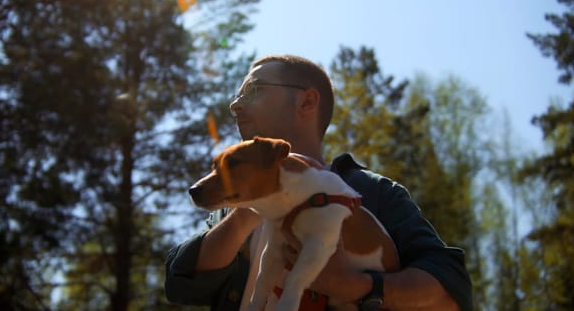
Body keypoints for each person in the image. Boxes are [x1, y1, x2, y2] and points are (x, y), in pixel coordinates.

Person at [165, 54, 473, 310]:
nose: (236, 105)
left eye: (254, 90)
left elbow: (451, 292)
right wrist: (251, 206)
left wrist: (358, 286)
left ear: (307, 102)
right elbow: (180, 281)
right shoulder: (232, 204)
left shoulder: (373, 192)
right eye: (237, 95)